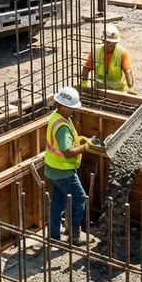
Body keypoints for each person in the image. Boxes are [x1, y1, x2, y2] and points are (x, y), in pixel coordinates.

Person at [44, 87, 91, 244]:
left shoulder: (56, 117)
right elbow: (67, 151)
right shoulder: (62, 127)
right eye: (72, 107)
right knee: (79, 201)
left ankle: (54, 236)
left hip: (52, 170)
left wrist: (79, 141)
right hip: (64, 172)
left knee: (57, 202)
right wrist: (85, 147)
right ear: (63, 106)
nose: (74, 110)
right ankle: (74, 235)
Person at [82, 24, 136, 94]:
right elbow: (86, 68)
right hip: (100, 90)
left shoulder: (122, 53)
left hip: (118, 91)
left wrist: (130, 87)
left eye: (113, 43)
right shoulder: (96, 52)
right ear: (103, 41)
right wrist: (84, 82)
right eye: (108, 42)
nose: (110, 45)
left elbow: (128, 71)